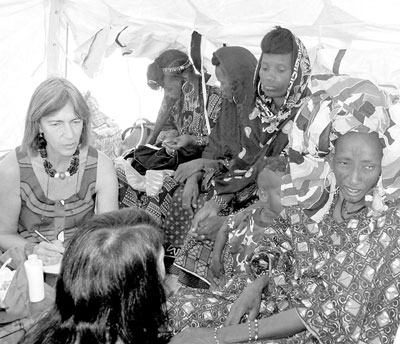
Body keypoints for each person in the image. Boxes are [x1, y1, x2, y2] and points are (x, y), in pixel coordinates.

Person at [167, 74, 400, 343]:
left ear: (385, 164)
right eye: (345, 163)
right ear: (331, 158)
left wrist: (220, 336)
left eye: (369, 166)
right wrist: (258, 283)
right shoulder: (319, 195)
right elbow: (282, 236)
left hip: (324, 333)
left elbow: (324, 311)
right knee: (178, 309)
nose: (355, 179)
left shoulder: (387, 223)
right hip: (279, 305)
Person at [170, 26, 311, 288]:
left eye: (281, 70)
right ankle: (197, 293)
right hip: (251, 192)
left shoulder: (307, 119)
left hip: (284, 210)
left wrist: (229, 222)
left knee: (223, 234)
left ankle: (224, 301)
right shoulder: (261, 110)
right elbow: (242, 166)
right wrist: (216, 203)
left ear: (297, 73)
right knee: (202, 224)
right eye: (266, 67)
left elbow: (291, 195)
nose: (269, 77)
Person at [0, 77, 119, 265]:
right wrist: (34, 251)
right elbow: (4, 234)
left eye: (75, 121)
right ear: (38, 125)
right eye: (56, 124)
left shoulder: (101, 167)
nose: (70, 134)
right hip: (28, 270)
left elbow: (111, 235)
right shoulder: (13, 168)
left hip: (82, 269)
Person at [19, 208, 170, 344]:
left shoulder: (49, 326)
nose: (164, 274)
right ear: (140, 285)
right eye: (161, 261)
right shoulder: (128, 334)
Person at [117, 48, 222, 209]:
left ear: (185, 78)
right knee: (122, 173)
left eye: (168, 89)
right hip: (176, 158)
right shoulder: (174, 98)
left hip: (201, 163)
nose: (167, 94)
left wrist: (191, 139)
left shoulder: (216, 99)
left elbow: (222, 144)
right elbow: (170, 125)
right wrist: (170, 134)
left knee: (157, 186)